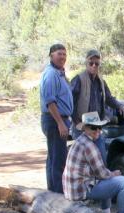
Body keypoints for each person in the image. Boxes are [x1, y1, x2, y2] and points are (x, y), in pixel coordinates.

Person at [63, 111, 124, 213]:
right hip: (80, 190)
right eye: (94, 127)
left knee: (106, 179)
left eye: (99, 127)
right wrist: (114, 174)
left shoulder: (80, 141)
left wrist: (110, 174)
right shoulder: (90, 146)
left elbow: (98, 172)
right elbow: (102, 173)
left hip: (74, 188)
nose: (98, 130)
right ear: (85, 128)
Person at [70, 49, 124, 163]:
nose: (94, 66)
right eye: (91, 63)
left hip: (96, 126)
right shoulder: (78, 79)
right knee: (83, 160)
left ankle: (102, 178)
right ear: (86, 63)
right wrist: (77, 123)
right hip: (82, 126)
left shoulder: (101, 81)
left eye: (97, 63)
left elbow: (109, 98)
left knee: (100, 158)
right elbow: (70, 102)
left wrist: (120, 106)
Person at [40, 43, 73, 193]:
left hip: (60, 119)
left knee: (53, 157)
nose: (62, 57)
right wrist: (60, 123)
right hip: (55, 120)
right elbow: (50, 101)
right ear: (51, 55)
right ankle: (58, 195)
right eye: (59, 54)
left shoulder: (59, 73)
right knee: (59, 159)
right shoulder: (51, 74)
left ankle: (52, 192)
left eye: (64, 54)